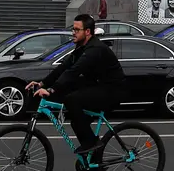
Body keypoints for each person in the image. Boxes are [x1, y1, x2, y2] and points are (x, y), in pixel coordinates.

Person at [26, 14, 125, 156]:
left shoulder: (94, 49)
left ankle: (92, 144)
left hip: (112, 90)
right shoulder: (81, 47)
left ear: (87, 32)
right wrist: (42, 83)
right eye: (73, 29)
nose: (73, 32)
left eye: (77, 30)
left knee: (72, 100)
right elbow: (64, 67)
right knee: (77, 120)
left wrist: (51, 90)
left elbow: (74, 71)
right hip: (99, 86)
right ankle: (93, 156)